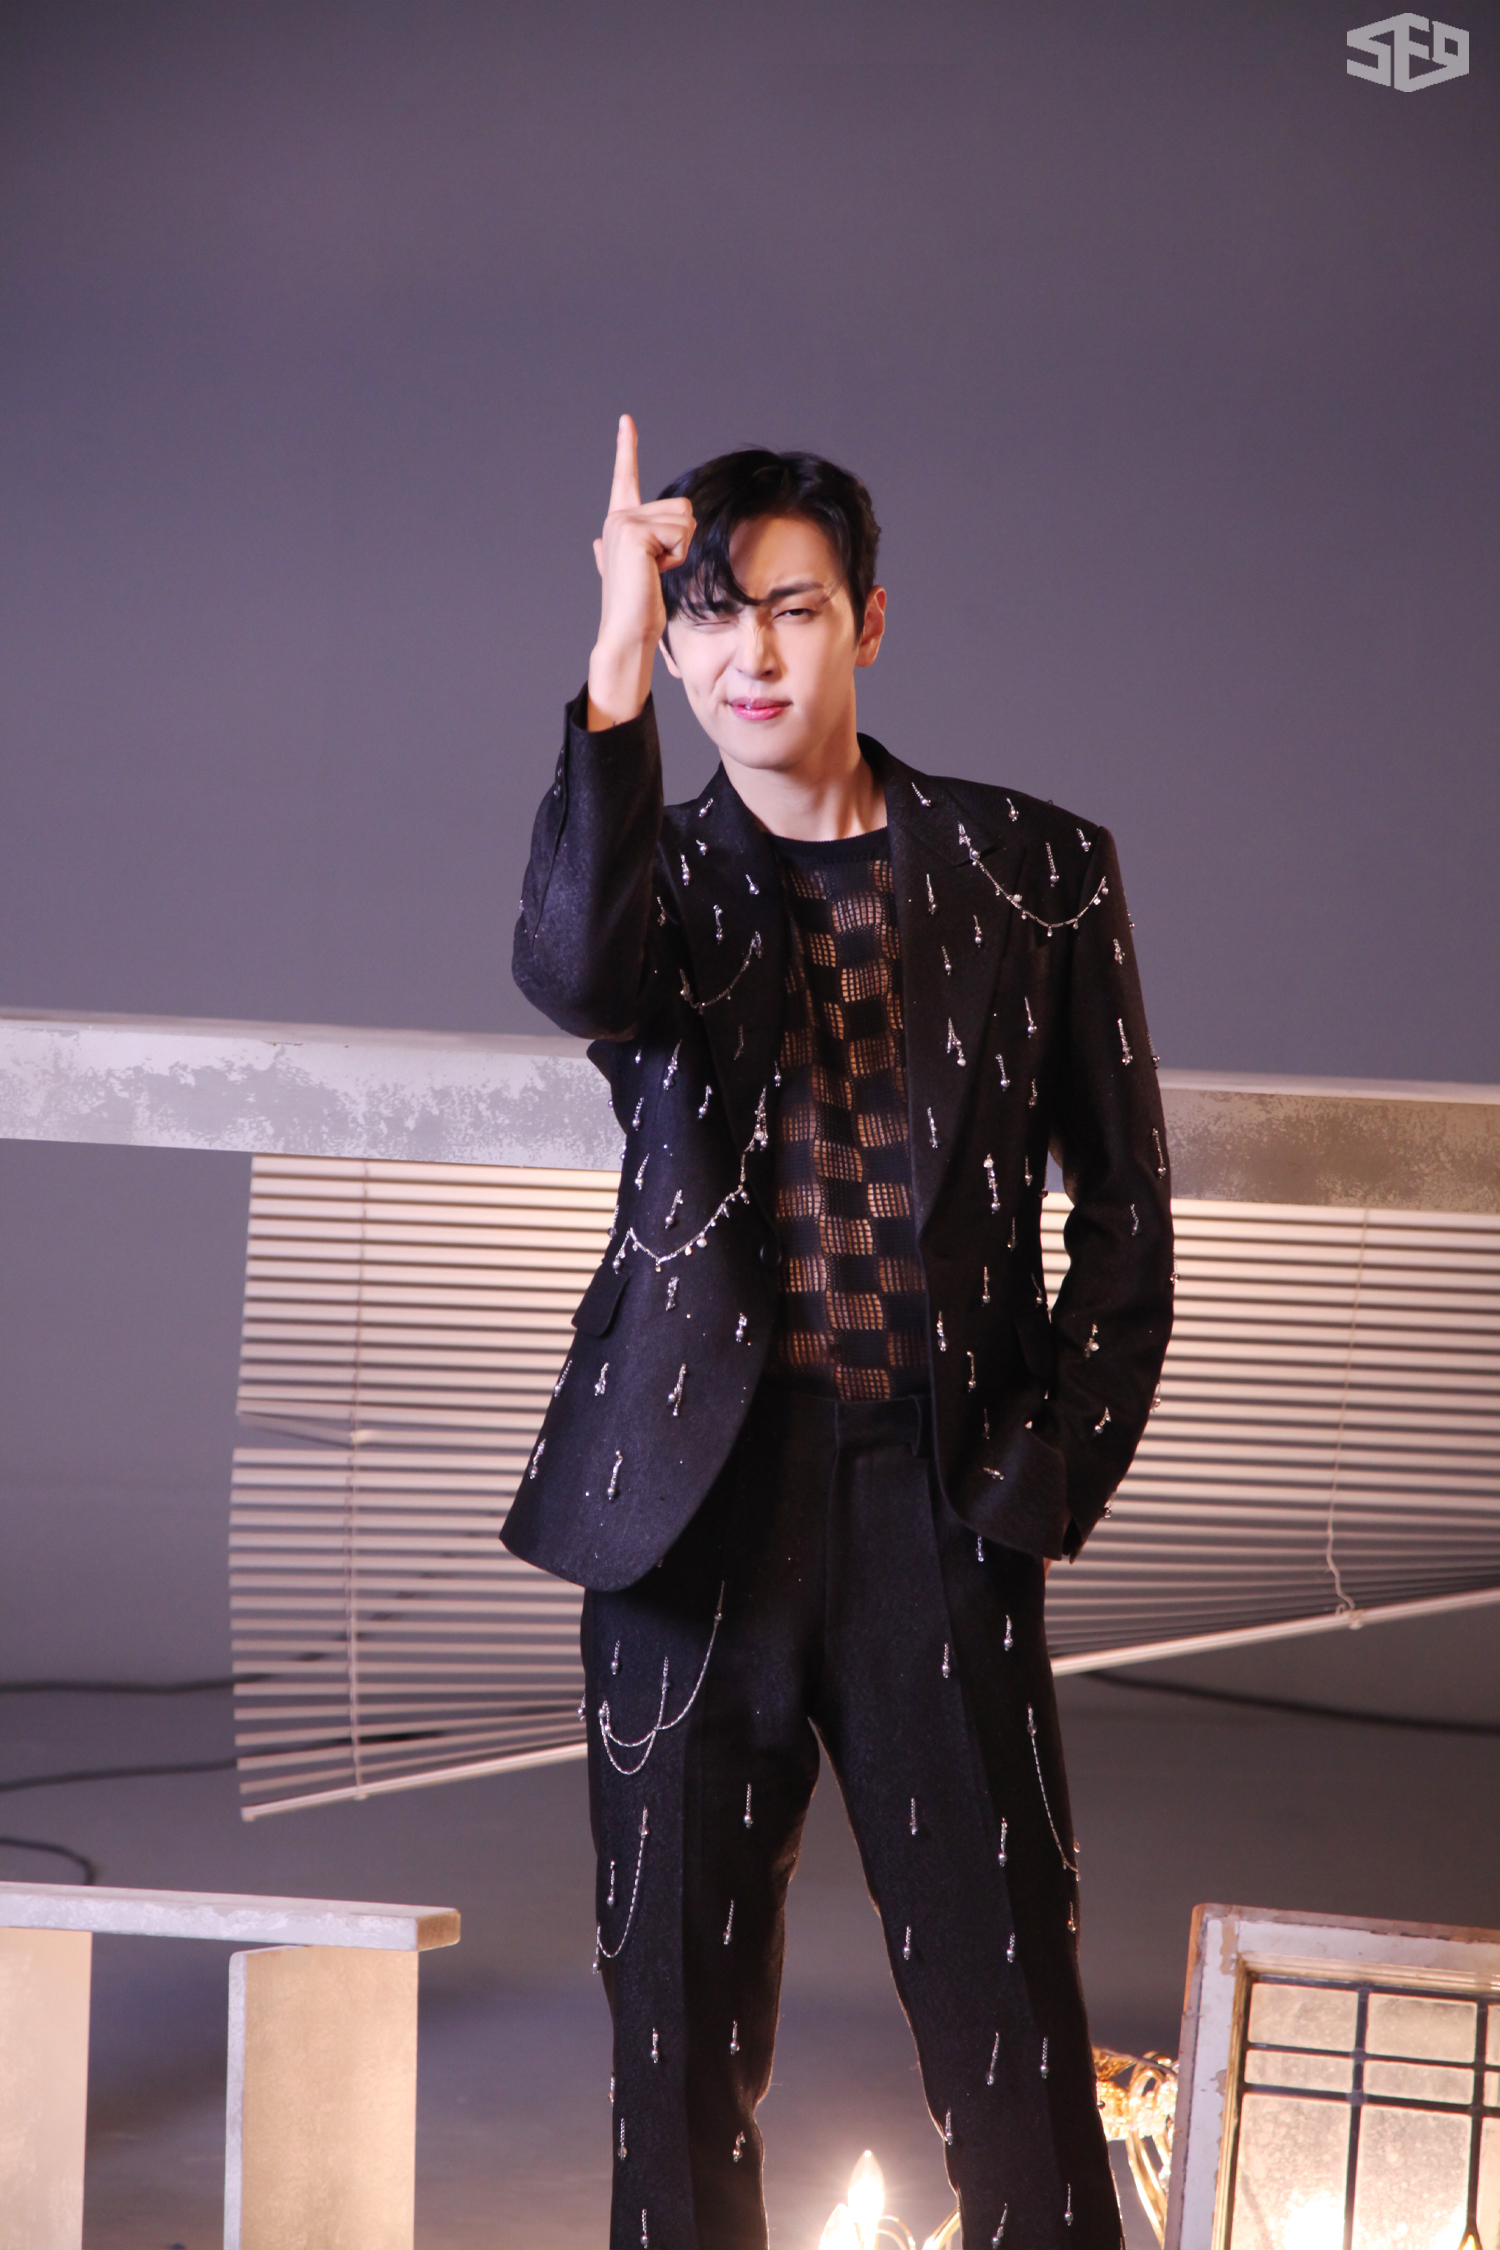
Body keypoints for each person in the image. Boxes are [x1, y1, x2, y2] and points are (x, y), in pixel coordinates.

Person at [505, 416, 1174, 2250]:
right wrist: (613, 656)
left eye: (790, 610)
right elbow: (568, 969)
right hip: (684, 1520)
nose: (752, 656)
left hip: (934, 1508)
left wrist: (1040, 1481)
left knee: (1017, 2052)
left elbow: (1128, 1215)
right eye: (710, 617)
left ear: (868, 619)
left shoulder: (1037, 870)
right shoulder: (654, 879)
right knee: (673, 2068)